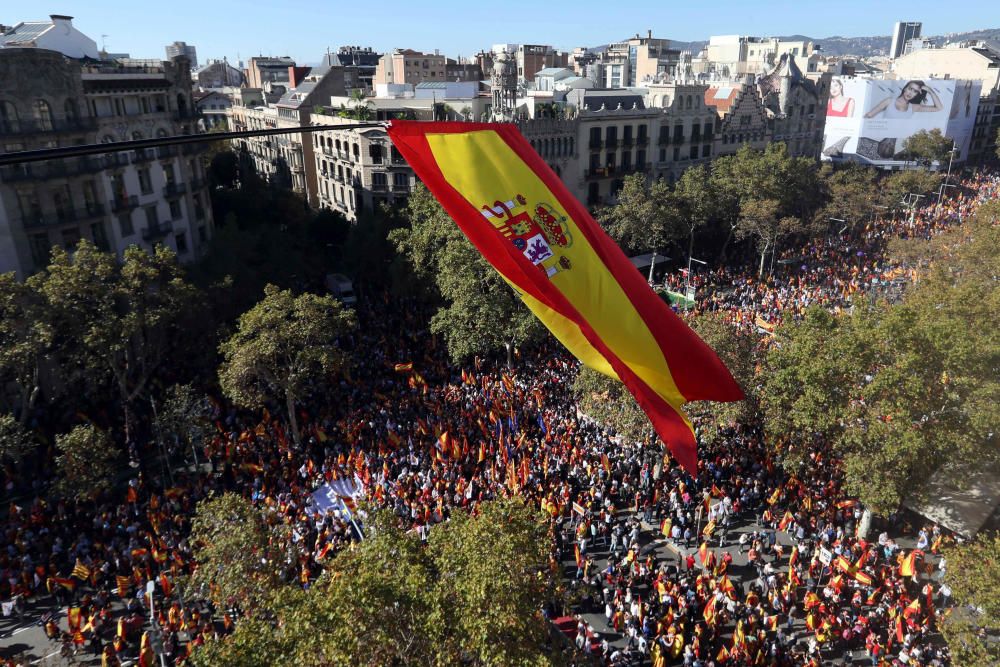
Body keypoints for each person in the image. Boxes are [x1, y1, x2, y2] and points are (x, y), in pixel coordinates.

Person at [864, 80, 943, 118]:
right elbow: (869, 115)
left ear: (917, 95)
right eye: (910, 89)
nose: (910, 93)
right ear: (905, 88)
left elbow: (939, 108)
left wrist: (930, 91)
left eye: (915, 91)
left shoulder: (914, 107)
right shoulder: (889, 101)